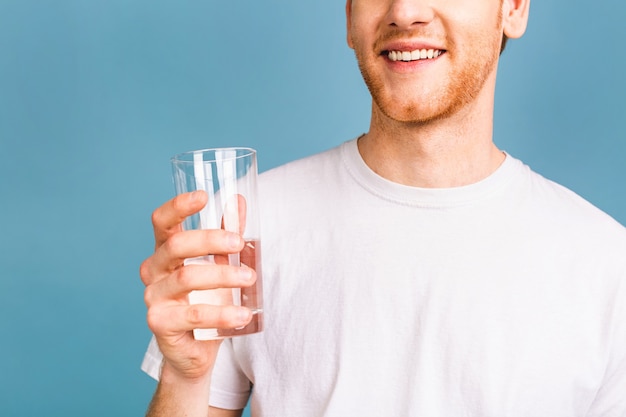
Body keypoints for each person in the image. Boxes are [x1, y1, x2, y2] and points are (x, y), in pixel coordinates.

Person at [140, 0, 626, 415]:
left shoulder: (606, 264)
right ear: (350, 16)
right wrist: (184, 380)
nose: (404, 12)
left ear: (514, 6)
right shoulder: (243, 229)